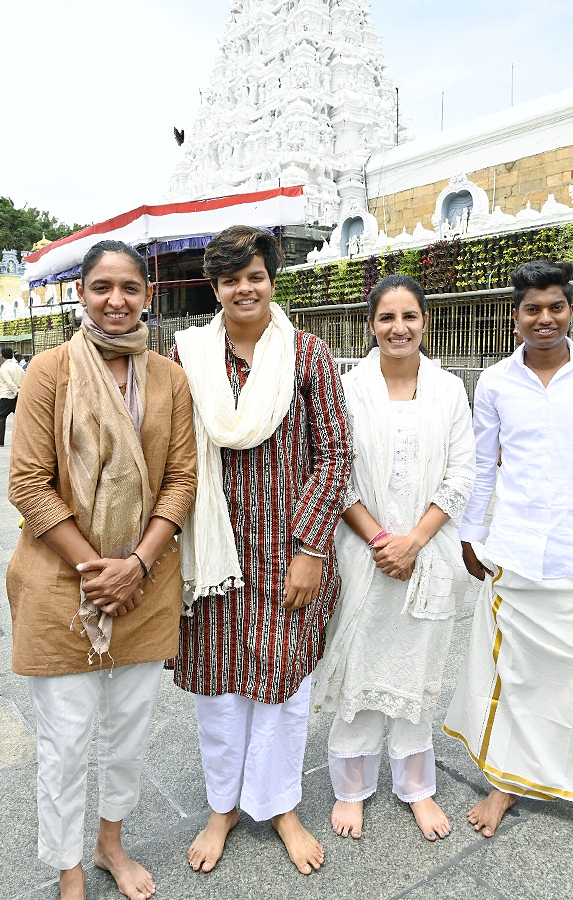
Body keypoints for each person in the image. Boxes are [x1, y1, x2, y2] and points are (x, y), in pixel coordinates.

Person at [7, 240, 197, 900]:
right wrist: (98, 569)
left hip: (144, 583)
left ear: (149, 296)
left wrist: (137, 564)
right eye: (101, 287)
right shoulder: (50, 371)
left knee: (128, 736)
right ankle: (67, 867)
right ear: (81, 294)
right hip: (64, 584)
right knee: (63, 743)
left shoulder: (169, 378)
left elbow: (181, 480)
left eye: (129, 288)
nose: (116, 300)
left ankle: (110, 843)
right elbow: (28, 484)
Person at [171, 225, 352, 875]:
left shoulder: (307, 354)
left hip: (287, 549)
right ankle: (222, 807)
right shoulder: (186, 357)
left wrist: (310, 548)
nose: (244, 288)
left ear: (272, 279)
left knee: (283, 686)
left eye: (255, 275)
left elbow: (334, 455)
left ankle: (279, 806)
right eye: (230, 279)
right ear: (214, 287)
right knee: (218, 688)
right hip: (210, 559)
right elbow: (166, 452)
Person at [444, 259, 573, 860]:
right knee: (515, 680)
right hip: (515, 550)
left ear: (570, 310)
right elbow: (484, 468)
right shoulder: (495, 383)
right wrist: (469, 536)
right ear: (515, 317)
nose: (544, 318)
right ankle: (505, 784)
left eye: (555, 306)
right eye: (532, 308)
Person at [312, 274, 476, 842]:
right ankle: (351, 789)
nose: (398, 327)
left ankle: (417, 788)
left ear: (425, 322)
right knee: (360, 665)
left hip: (429, 554)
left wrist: (415, 540)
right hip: (363, 554)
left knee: (417, 668)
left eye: (409, 316)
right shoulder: (347, 387)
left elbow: (462, 475)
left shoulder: (450, 390)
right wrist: (384, 541)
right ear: (371, 324)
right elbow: (336, 468)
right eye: (387, 318)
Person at [0, 346, 24, 445]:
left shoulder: (4, 367)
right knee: (20, 418)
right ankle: (22, 441)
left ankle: (0, 441)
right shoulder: (18, 367)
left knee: (1, 417)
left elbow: (9, 382)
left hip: (8, 396)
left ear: (2, 356)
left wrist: (16, 391)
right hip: (19, 395)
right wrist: (20, 391)